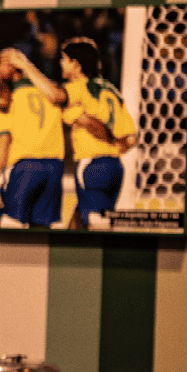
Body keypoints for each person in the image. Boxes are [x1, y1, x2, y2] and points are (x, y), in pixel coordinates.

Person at [60, 38, 137, 229]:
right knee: (77, 224)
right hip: (114, 167)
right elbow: (131, 138)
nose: (61, 63)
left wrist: (104, 139)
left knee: (97, 227)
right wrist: (113, 149)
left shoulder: (76, 89)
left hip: (92, 165)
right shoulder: (112, 91)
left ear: (76, 64)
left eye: (64, 59)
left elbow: (87, 122)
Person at [0, 48, 68, 228]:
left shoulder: (5, 100)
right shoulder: (49, 89)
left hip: (24, 167)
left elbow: (2, 141)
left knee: (9, 227)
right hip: (54, 167)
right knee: (42, 231)